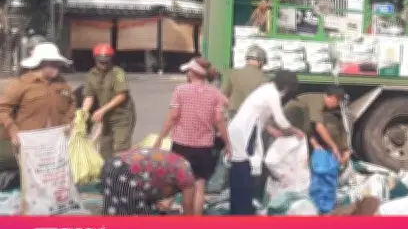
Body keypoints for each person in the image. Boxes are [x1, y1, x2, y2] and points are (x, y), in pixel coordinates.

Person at [153, 57, 231, 215]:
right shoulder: (214, 93)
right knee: (199, 186)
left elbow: (173, 116)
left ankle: (181, 217)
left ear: (192, 73)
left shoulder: (180, 90)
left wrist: (160, 138)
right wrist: (228, 143)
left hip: (181, 145)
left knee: (183, 185)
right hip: (204, 147)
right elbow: (219, 119)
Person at [227, 70, 305, 215]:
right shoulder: (272, 94)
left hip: (242, 130)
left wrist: (271, 130)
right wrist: (296, 131)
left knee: (240, 170)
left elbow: (260, 114)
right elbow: (280, 119)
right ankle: (242, 211)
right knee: (244, 170)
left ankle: (239, 208)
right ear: (286, 86)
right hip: (245, 132)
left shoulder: (266, 89)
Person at [0, 43, 75, 148]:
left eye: (57, 63)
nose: (56, 67)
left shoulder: (63, 85)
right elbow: (3, 108)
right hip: (28, 142)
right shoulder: (21, 83)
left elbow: (72, 103)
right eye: (51, 63)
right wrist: (11, 127)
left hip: (57, 141)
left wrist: (67, 121)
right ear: (40, 63)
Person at [100, 147, 197, 216]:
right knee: (135, 215)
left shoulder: (178, 165)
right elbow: (188, 204)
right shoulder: (187, 177)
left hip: (111, 164)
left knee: (115, 211)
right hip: (125, 169)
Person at [81, 44, 136, 160]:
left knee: (120, 149)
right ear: (95, 59)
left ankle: (121, 170)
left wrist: (102, 110)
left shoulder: (118, 73)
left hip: (122, 117)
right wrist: (82, 114)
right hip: (106, 117)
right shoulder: (91, 74)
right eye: (101, 61)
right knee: (105, 150)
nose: (104, 64)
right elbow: (89, 96)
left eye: (106, 61)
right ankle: (108, 170)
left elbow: (122, 95)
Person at [285, 86, 350, 164]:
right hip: (288, 125)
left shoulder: (317, 99)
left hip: (296, 124)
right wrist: (334, 147)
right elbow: (319, 127)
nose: (337, 105)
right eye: (338, 101)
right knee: (328, 127)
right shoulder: (317, 102)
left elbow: (308, 126)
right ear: (333, 97)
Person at [221, 45, 268, 117]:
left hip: (234, 114)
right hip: (253, 115)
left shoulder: (234, 74)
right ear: (261, 62)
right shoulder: (264, 79)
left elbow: (222, 95)